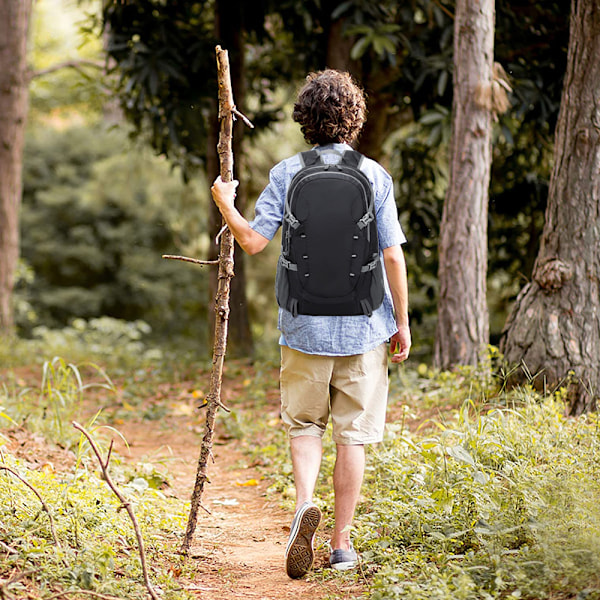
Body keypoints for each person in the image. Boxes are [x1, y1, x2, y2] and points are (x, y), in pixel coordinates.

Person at [211, 69, 411, 579]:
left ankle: (304, 506)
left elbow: (254, 243)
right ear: (353, 118)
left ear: (305, 118)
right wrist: (401, 322)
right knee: (353, 437)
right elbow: (391, 256)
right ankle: (342, 545)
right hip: (365, 326)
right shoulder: (374, 176)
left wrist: (226, 204)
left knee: (305, 426)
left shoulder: (285, 174)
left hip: (303, 326)